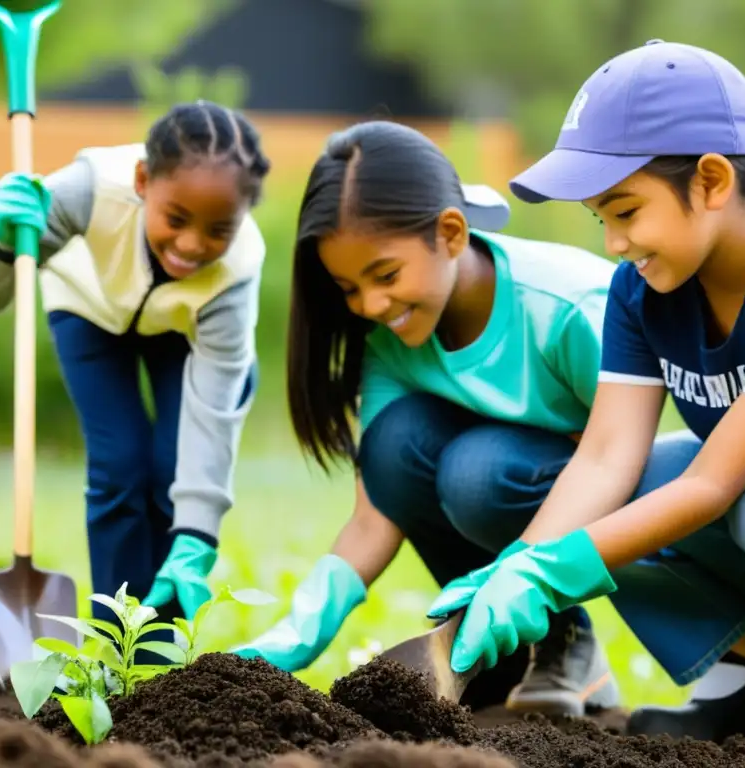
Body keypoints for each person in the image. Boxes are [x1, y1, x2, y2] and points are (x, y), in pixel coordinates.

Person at [426, 39, 745, 756]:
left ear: (709, 180)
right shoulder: (643, 289)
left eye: (626, 211)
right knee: (602, 497)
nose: (614, 243)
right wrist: (518, 561)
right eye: (599, 219)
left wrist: (554, 573)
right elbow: (606, 458)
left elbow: (711, 484)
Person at [231, 119, 622, 716]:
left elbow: (621, 451)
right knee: (395, 444)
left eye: (385, 276)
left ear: (450, 233)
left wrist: (529, 575)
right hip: (529, 496)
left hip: (621, 487)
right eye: (348, 287)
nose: (369, 305)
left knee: (476, 472)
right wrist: (302, 627)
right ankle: (508, 664)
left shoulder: (566, 308)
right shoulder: (390, 341)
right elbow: (375, 511)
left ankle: (565, 640)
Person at [0, 100, 271, 635]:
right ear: (144, 181)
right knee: (119, 466)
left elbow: (215, 409)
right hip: (88, 310)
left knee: (175, 473)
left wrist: (198, 532)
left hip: (183, 329)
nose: (192, 244)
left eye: (218, 230)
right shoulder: (86, 191)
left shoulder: (236, 271)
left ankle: (161, 655)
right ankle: (119, 641)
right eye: (176, 219)